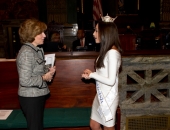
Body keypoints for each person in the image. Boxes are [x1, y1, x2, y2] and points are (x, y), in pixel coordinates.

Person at [82, 14, 122, 130]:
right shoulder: (107, 51)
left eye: (96, 31)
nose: (94, 34)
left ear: (105, 34)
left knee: (108, 127)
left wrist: (92, 75)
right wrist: (91, 74)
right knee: (94, 125)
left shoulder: (112, 53)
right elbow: (104, 73)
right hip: (100, 94)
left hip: (108, 97)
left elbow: (110, 80)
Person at [16, 18, 56, 130]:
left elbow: (36, 71)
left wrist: (48, 71)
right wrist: (44, 77)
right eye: (40, 33)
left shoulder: (35, 50)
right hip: (30, 97)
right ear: (32, 34)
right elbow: (25, 80)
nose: (44, 35)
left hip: (36, 95)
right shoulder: (27, 52)